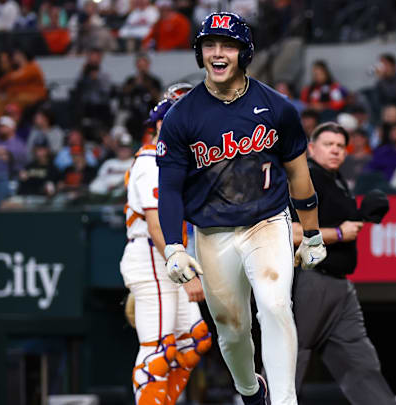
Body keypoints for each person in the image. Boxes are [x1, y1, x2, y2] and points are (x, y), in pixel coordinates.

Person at [156, 13, 326, 405]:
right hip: (212, 234)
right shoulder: (182, 115)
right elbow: (169, 189)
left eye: (227, 45)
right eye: (209, 45)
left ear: (243, 52)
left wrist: (312, 233)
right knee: (231, 330)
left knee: (275, 303)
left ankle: (284, 400)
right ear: (200, 53)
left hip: (267, 222)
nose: (218, 53)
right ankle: (251, 390)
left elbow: (299, 175)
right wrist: (173, 246)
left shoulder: (277, 107)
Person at [292, 122, 396, 404]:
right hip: (310, 279)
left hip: (339, 286)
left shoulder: (336, 181)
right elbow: (289, 232)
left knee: (360, 361)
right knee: (290, 358)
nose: (335, 150)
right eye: (328, 144)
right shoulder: (306, 179)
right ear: (312, 148)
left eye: (340, 146)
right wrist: (338, 234)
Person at [123, 97, 211, 405]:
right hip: (152, 258)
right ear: (160, 125)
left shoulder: (173, 162)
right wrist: (187, 276)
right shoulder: (149, 164)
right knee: (158, 352)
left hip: (166, 260)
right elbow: (156, 226)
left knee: (194, 342)